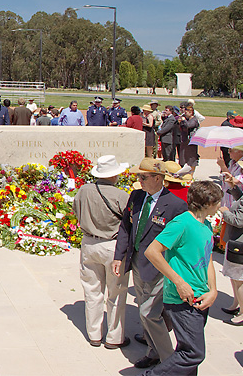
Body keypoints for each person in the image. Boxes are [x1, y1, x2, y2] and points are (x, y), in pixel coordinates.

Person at [112, 158, 188, 369]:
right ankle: (153, 351)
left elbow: (181, 240)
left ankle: (169, 361)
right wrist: (119, 256)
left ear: (158, 178)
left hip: (160, 268)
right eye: (138, 176)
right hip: (137, 262)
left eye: (143, 177)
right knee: (147, 312)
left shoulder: (176, 205)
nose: (139, 181)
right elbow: (126, 228)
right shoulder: (136, 197)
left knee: (149, 313)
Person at [144, 181, 222, 374]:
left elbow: (208, 259)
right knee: (193, 354)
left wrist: (213, 290)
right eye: (218, 201)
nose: (221, 205)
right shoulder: (181, 223)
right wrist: (179, 282)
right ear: (208, 202)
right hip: (182, 298)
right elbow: (152, 251)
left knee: (186, 352)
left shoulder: (206, 226)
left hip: (200, 297)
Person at [73, 155, 130, 349]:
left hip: (89, 243)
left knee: (92, 291)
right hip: (113, 246)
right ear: (115, 175)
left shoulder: (84, 190)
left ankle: (94, 334)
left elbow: (76, 211)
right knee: (116, 292)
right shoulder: (121, 195)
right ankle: (114, 337)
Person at [218, 169, 243, 323]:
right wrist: (233, 187)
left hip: (239, 244)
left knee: (239, 279)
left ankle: (242, 314)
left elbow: (239, 221)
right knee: (235, 278)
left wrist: (225, 213)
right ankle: (236, 304)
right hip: (236, 242)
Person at [178, 106, 200, 171]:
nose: (185, 114)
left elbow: (189, 126)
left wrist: (184, 120)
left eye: (186, 112)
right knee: (183, 158)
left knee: (191, 159)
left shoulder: (194, 120)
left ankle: (191, 175)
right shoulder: (186, 120)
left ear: (190, 112)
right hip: (184, 141)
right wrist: (180, 122)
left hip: (191, 142)